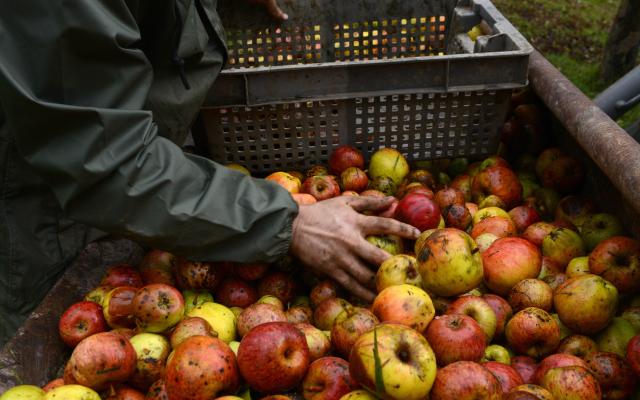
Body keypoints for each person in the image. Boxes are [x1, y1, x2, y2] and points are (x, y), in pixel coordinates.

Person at [0, 0, 419, 344]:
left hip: (143, 204)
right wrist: (289, 223)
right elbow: (106, 158)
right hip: (47, 220)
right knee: (41, 349)